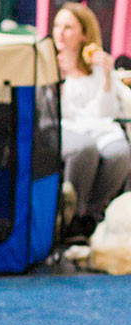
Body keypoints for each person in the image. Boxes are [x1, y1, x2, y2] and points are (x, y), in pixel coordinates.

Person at [53, 2, 131, 241]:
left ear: (83, 34)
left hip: (98, 126)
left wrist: (107, 75)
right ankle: (71, 216)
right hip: (63, 127)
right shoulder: (49, 66)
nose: (60, 33)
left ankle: (94, 214)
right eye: (57, 26)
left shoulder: (96, 68)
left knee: (120, 152)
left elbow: (104, 112)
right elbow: (57, 113)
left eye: (68, 27)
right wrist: (61, 80)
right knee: (84, 148)